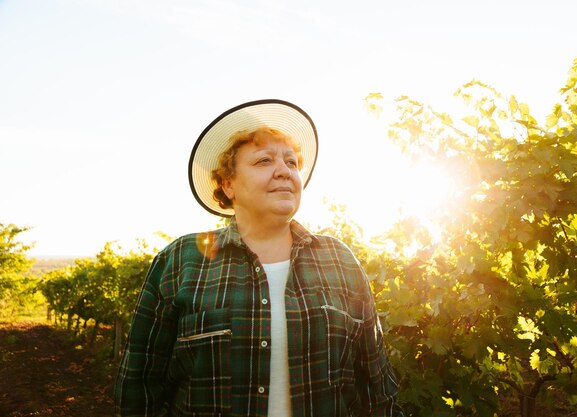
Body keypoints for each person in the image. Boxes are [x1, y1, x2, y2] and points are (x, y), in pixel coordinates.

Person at [115, 99, 404, 417]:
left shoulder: (340, 262)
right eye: (264, 161)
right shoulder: (181, 262)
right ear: (228, 184)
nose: (284, 171)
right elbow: (138, 388)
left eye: (292, 163)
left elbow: (377, 388)